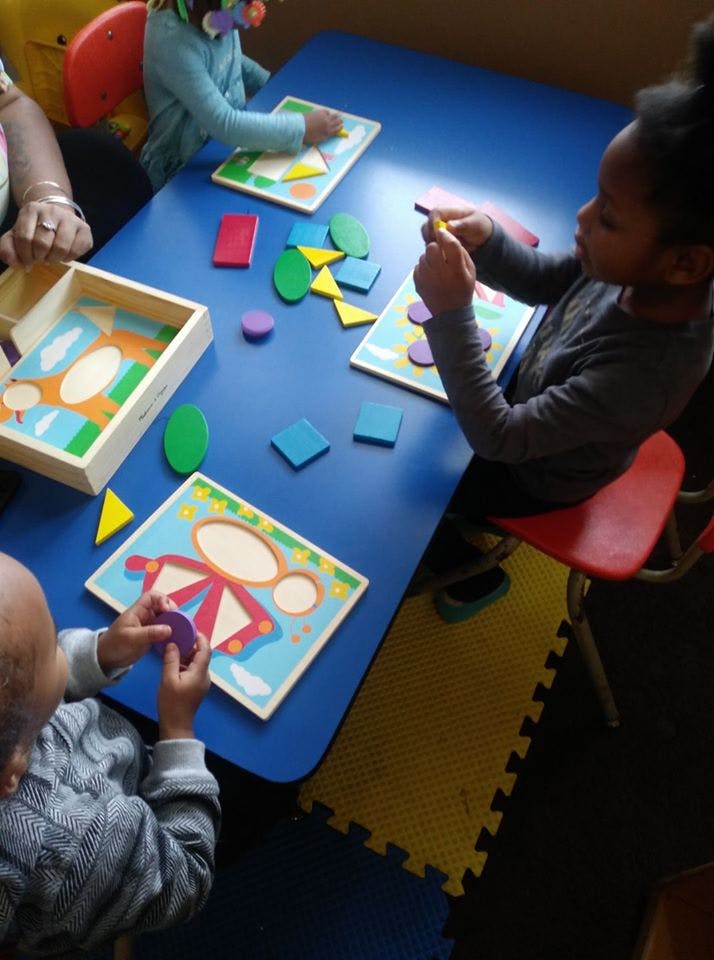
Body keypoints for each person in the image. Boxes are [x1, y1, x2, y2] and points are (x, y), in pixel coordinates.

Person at [413, 15, 714, 623]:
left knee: (419, 490)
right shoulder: (640, 277)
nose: (581, 219)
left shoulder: (644, 373)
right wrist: (490, 240)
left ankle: (467, 573)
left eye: (607, 217)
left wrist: (451, 314)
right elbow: (554, 281)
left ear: (685, 264)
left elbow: (500, 439)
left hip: (538, 476)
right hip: (537, 410)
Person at [0, 553, 220, 955]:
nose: (61, 644)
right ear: (14, 767)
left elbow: (21, 691)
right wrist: (178, 730)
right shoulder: (76, 845)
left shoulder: (11, 726)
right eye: (53, 645)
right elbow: (186, 879)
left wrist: (102, 653)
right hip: (135, 834)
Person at [140, 0, 343, 192]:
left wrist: (273, 86)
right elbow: (224, 123)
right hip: (185, 169)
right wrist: (302, 128)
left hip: (226, 144)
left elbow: (232, 60)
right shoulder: (172, 41)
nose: (244, 19)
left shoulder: (211, 13)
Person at [0, 54, 153, 270]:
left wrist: (50, 200)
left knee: (103, 159)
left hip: (16, 201)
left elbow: (8, 102)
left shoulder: (217, 24)